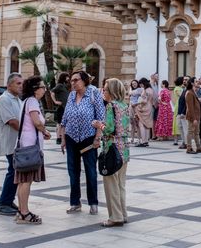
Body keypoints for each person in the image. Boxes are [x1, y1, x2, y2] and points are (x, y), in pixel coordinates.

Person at [61, 70, 105, 215]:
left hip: (89, 138)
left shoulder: (93, 93)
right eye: (71, 80)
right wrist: (62, 138)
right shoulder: (72, 95)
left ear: (84, 80)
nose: (72, 83)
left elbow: (101, 118)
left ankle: (93, 203)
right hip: (71, 137)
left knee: (90, 171)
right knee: (73, 172)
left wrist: (98, 138)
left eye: (75, 80)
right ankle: (75, 203)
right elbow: (65, 117)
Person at [14, 76, 51, 224]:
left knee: (23, 181)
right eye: (43, 87)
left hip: (25, 145)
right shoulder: (33, 102)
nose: (44, 89)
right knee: (26, 181)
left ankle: (21, 211)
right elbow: (36, 122)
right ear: (36, 89)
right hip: (30, 147)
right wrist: (45, 131)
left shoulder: (26, 101)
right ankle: (24, 213)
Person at [95, 78, 130, 227]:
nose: (103, 92)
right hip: (124, 149)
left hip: (112, 148)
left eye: (105, 89)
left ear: (112, 91)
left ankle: (115, 217)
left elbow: (109, 129)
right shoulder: (124, 105)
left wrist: (98, 125)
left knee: (111, 185)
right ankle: (123, 213)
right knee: (120, 184)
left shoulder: (111, 106)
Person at [0, 72, 23, 216]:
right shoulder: (4, 99)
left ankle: (8, 200)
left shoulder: (17, 99)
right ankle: (3, 204)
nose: (21, 86)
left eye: (21, 83)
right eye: (18, 83)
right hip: (11, 142)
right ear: (9, 84)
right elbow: (12, 121)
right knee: (13, 171)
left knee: (15, 171)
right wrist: (27, 131)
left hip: (18, 142)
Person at [185, 78, 201, 154]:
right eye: (196, 81)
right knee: (190, 132)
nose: (198, 82)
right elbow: (190, 108)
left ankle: (198, 147)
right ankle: (189, 148)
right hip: (192, 116)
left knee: (197, 132)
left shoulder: (194, 92)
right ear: (192, 83)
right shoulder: (189, 93)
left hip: (197, 116)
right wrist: (194, 119)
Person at [51, 72, 70, 145]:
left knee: (63, 123)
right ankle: (58, 138)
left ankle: (61, 137)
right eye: (67, 77)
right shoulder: (59, 86)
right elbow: (52, 92)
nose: (68, 78)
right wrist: (55, 101)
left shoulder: (64, 86)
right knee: (60, 123)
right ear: (63, 77)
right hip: (61, 107)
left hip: (65, 107)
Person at [134, 78, 154, 147]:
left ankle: (143, 141)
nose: (140, 85)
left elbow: (144, 101)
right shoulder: (151, 89)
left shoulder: (146, 90)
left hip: (144, 107)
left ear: (143, 83)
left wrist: (137, 103)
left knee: (141, 124)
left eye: (141, 84)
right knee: (147, 125)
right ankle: (146, 141)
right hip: (149, 107)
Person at [172, 77, 185, 145]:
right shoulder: (177, 88)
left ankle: (178, 139)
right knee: (176, 122)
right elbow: (182, 96)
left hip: (180, 104)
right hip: (178, 105)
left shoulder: (181, 88)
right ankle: (175, 139)